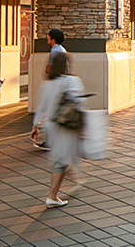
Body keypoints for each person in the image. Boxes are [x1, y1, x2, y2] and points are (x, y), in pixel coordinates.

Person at [31, 52, 83, 208]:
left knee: (63, 158)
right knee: (62, 160)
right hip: (67, 125)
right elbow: (79, 102)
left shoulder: (47, 84)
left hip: (52, 126)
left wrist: (35, 126)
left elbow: (41, 107)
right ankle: (52, 196)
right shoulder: (73, 81)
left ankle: (71, 181)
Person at [36, 28, 68, 151]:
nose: (47, 38)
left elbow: (48, 69)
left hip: (57, 86)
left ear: (53, 39)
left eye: (48, 36)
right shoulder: (61, 50)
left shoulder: (55, 51)